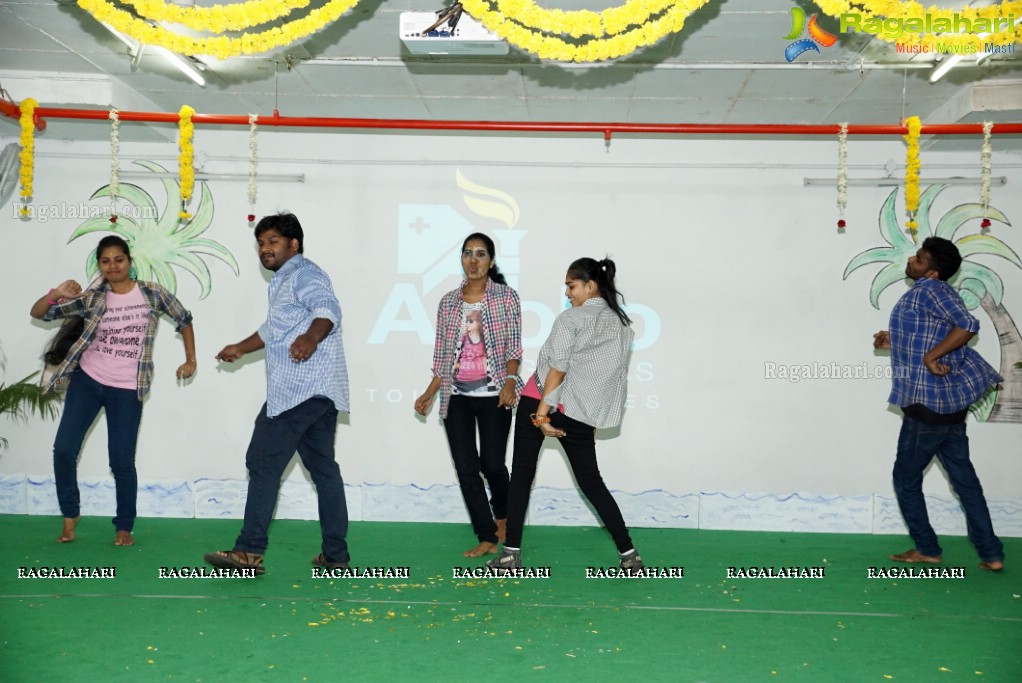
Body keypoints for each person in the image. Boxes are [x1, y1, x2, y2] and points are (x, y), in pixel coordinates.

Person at [205, 213, 350, 576]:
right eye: (261, 243)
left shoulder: (305, 274)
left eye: (272, 241)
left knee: (262, 462)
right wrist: (240, 346)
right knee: (324, 471)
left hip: (298, 391)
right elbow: (274, 328)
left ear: (293, 245)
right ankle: (335, 555)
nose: (265, 249)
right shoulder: (284, 281)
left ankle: (248, 552)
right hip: (319, 392)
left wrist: (311, 338)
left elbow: (328, 310)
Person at [30, 235, 196, 546]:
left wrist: (191, 359)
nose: (113, 266)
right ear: (100, 266)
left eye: (118, 259)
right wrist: (56, 293)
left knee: (121, 461)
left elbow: (184, 319)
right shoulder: (94, 298)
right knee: (64, 449)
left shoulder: (152, 293)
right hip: (88, 382)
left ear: (129, 261)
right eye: (105, 261)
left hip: (127, 389)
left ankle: (124, 526)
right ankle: (70, 515)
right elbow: (39, 313)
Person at [488, 257, 644, 573]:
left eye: (571, 286)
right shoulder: (622, 325)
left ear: (591, 285)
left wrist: (543, 415)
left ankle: (511, 556)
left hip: (539, 402)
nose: (568, 293)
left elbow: (558, 369)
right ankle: (630, 555)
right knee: (591, 482)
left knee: (521, 476)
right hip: (578, 413)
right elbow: (605, 377)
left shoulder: (570, 320)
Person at [872, 236, 1004, 571]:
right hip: (947, 405)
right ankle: (991, 554)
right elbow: (930, 334)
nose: (912, 260)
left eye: (919, 258)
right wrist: (894, 340)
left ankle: (927, 548)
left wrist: (932, 356)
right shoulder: (925, 292)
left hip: (927, 405)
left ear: (932, 272)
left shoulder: (933, 290)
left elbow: (968, 325)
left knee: (905, 477)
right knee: (964, 479)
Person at [415, 233, 523, 557]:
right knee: (465, 467)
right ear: (461, 259)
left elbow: (514, 348)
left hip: (495, 394)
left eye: (480, 254)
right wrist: (429, 393)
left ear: (491, 261)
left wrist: (509, 380)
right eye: (467, 254)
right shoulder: (448, 303)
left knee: (492, 464)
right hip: (456, 396)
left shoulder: (506, 298)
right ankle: (487, 534)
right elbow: (443, 356)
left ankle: (503, 513)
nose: (473, 261)